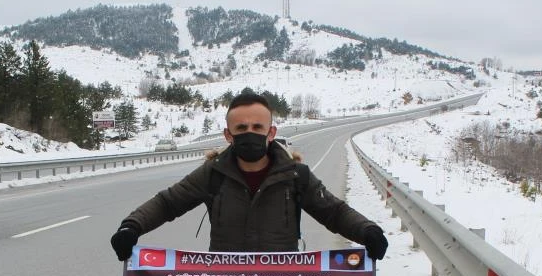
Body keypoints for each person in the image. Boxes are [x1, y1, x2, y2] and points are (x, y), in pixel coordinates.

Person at [109, 91, 388, 260]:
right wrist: (131, 227)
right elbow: (168, 203)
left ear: (272, 132)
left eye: (257, 126)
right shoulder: (213, 174)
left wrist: (367, 231)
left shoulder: (295, 176)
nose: (249, 132)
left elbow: (334, 213)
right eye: (241, 128)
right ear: (228, 135)